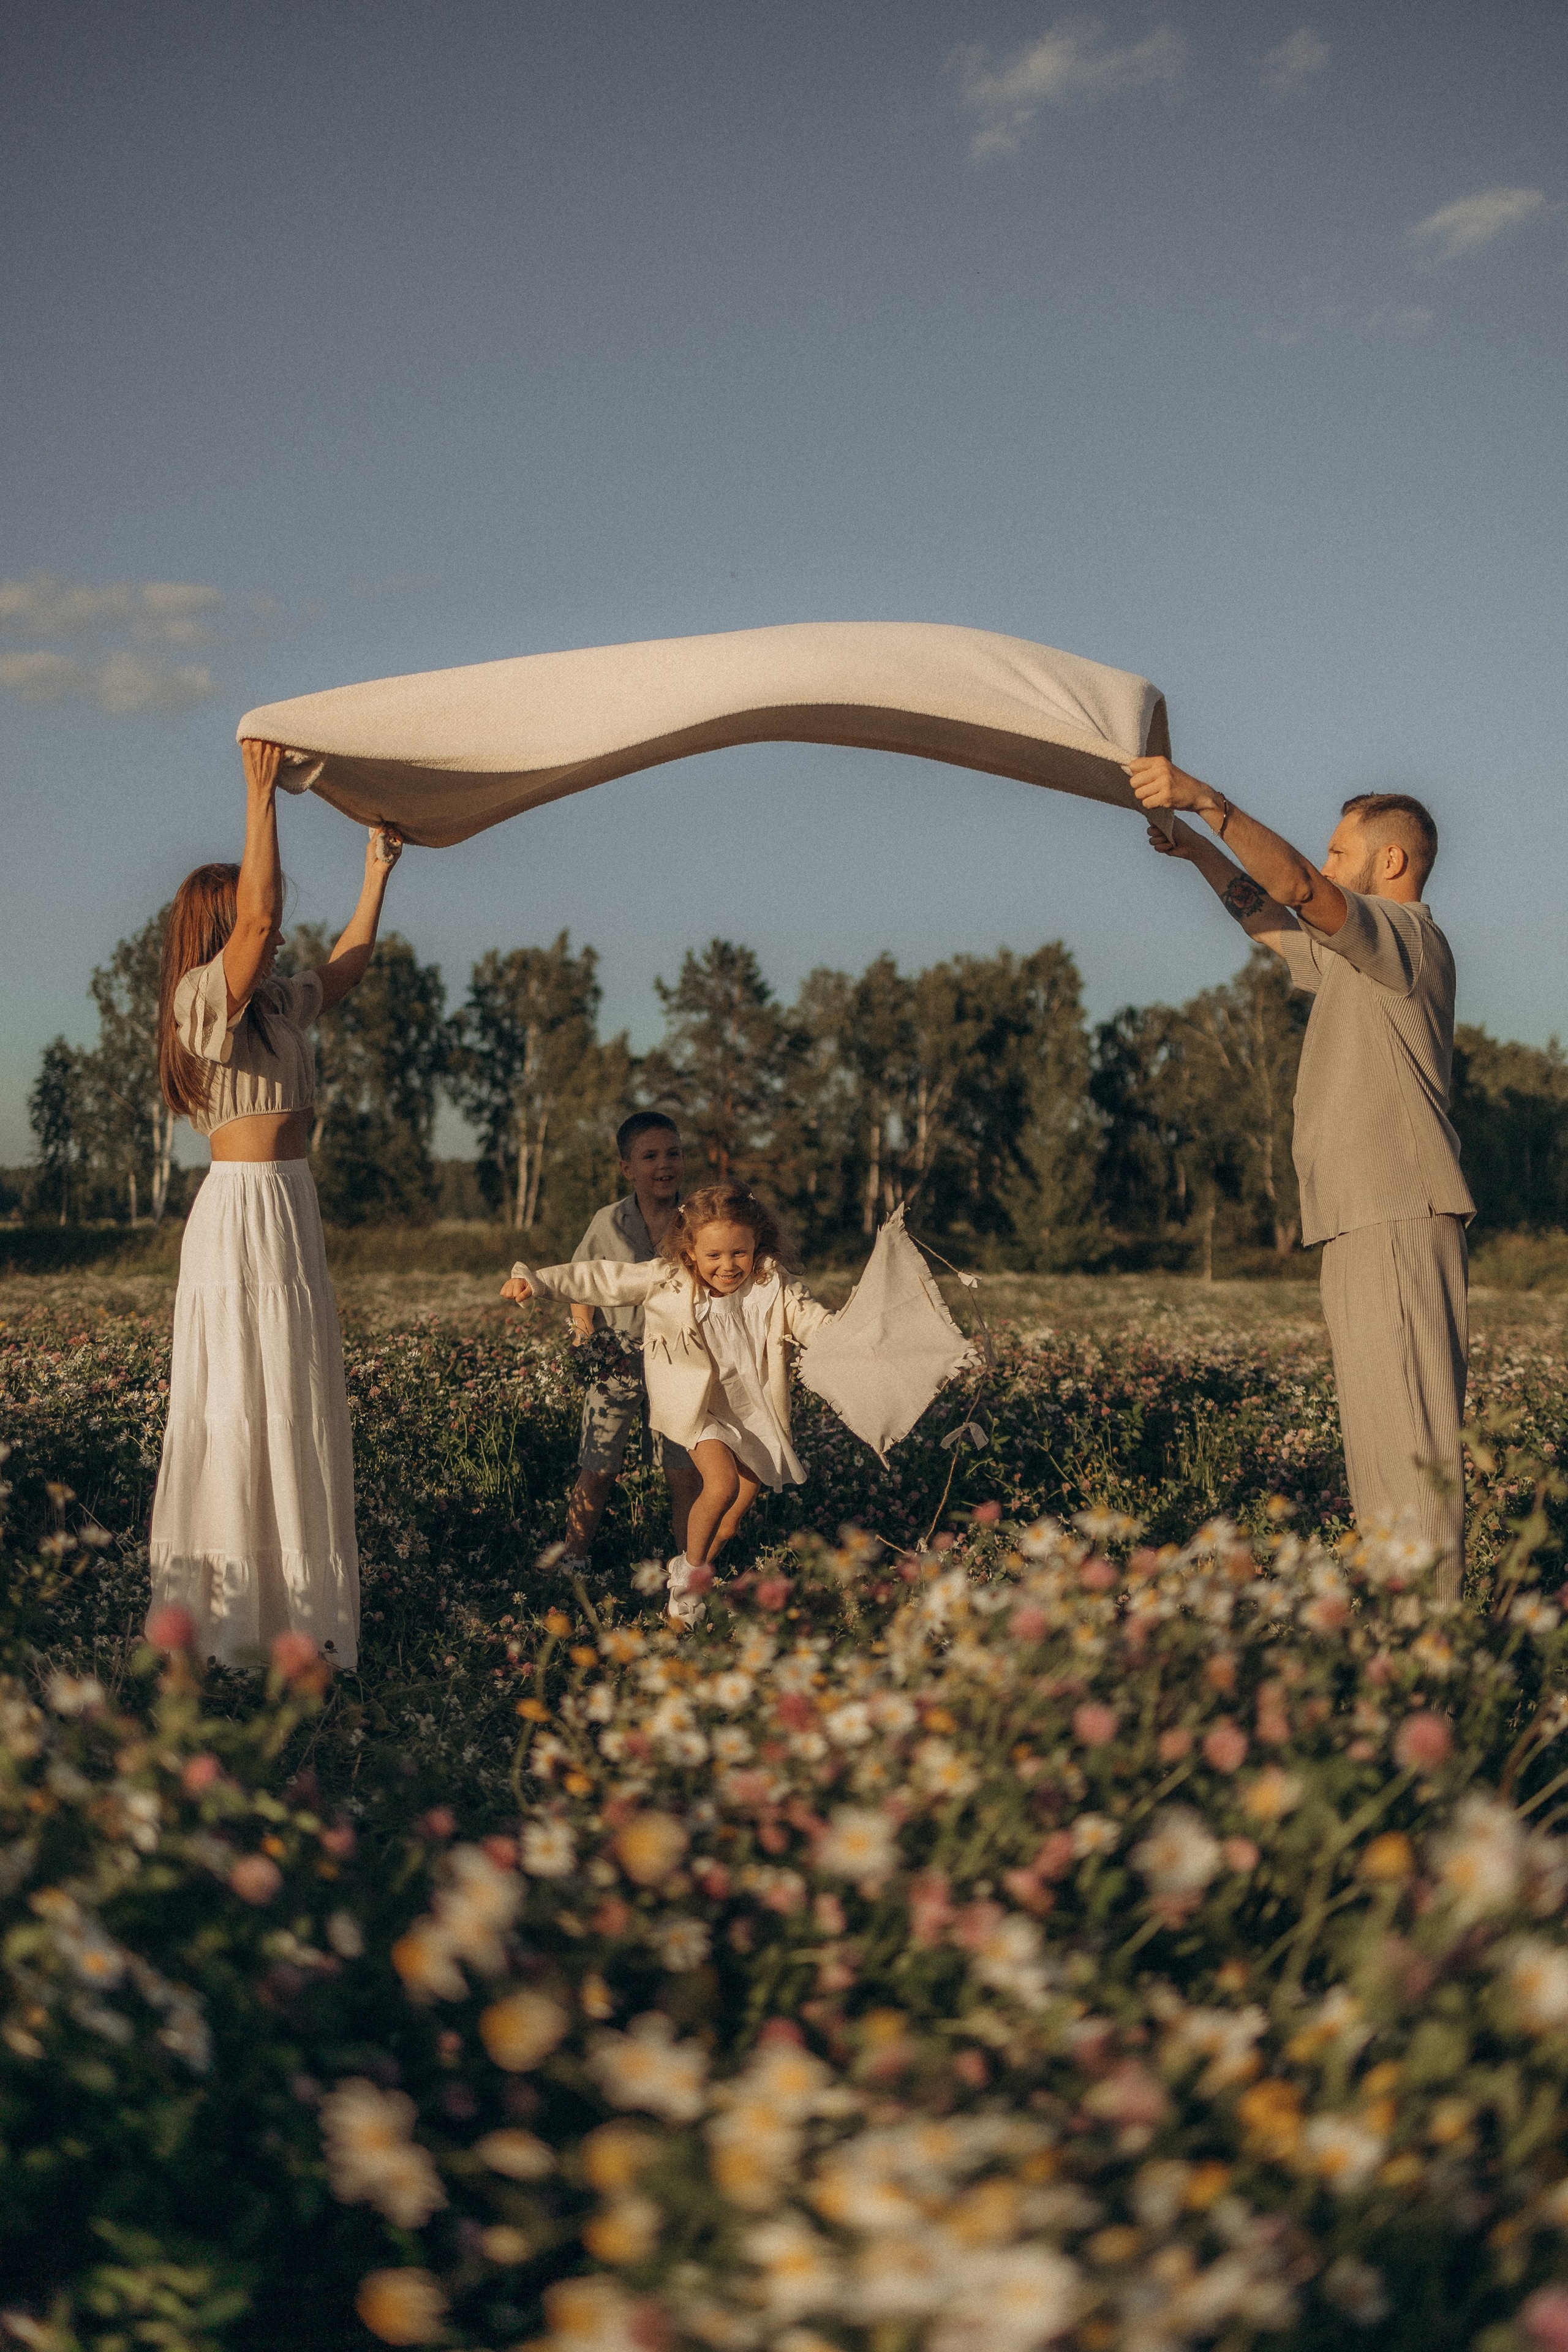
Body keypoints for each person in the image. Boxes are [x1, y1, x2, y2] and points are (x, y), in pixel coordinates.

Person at [1128, 755, 1474, 1597]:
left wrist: (1208, 803)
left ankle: (1433, 1646)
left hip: (1397, 1212)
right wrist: (1199, 852)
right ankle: (1398, 1636)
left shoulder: (1405, 938)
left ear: (1391, 860)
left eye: (1339, 852)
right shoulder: (1355, 960)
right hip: (1357, 1219)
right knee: (1380, 1453)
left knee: (1412, 1451)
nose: (1325, 866)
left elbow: (1295, 888)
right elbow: (1271, 917)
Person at [146, 737, 404, 1668]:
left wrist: (377, 872)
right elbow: (258, 922)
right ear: (220, 927)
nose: (281, 931)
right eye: (263, 917)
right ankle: (225, 1629)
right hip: (241, 1216)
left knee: (288, 1400)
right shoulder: (201, 1001)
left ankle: (293, 1624)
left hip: (290, 1211)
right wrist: (261, 792)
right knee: (238, 1405)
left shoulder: (277, 1008)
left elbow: (348, 965)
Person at [502, 1181, 834, 1623]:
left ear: (758, 1243)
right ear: (691, 1251)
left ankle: (687, 1568)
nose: (728, 1265)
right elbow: (602, 1278)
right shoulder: (668, 1280)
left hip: (751, 1412)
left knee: (729, 1522)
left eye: (739, 1252)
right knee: (721, 1485)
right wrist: (537, 1281)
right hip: (696, 1406)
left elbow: (816, 1323)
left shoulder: (774, 1285)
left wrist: (858, 1337)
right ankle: (690, 1585)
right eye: (714, 1255)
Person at [556, 1112, 702, 1578]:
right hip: (616, 1362)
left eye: (673, 1154)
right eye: (650, 1156)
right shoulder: (608, 1221)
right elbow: (581, 1282)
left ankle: (689, 1569)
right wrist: (585, 1336)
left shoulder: (700, 1220)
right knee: (598, 1467)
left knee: (684, 1472)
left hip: (680, 1364)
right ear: (627, 1168)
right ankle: (574, 1560)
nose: (664, 1165)